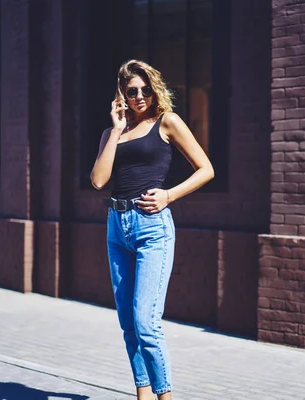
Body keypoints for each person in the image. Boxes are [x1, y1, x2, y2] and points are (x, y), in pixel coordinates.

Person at [90, 59, 214, 400]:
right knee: (129, 324)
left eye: (145, 89)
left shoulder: (167, 122)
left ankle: (165, 397)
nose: (140, 95)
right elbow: (99, 180)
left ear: (153, 88)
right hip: (116, 228)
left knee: (146, 324)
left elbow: (206, 169)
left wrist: (169, 194)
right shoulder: (111, 133)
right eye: (132, 91)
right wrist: (115, 130)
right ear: (122, 95)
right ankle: (143, 394)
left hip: (152, 228)